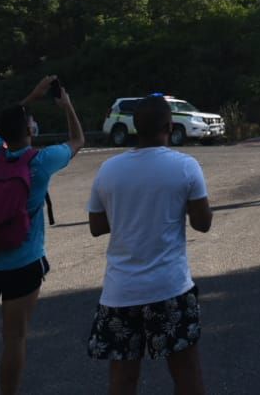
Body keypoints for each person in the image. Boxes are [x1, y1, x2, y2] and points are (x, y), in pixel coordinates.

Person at [0, 76, 86, 395]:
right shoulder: (41, 162)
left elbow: (3, 127)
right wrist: (66, 105)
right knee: (15, 339)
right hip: (23, 264)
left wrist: (31, 97)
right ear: (29, 131)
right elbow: (78, 140)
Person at [86, 95, 212, 395]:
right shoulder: (185, 166)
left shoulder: (109, 169)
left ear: (133, 126)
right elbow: (202, 223)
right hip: (170, 288)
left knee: (123, 379)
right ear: (170, 125)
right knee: (186, 374)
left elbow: (96, 226)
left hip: (120, 292)